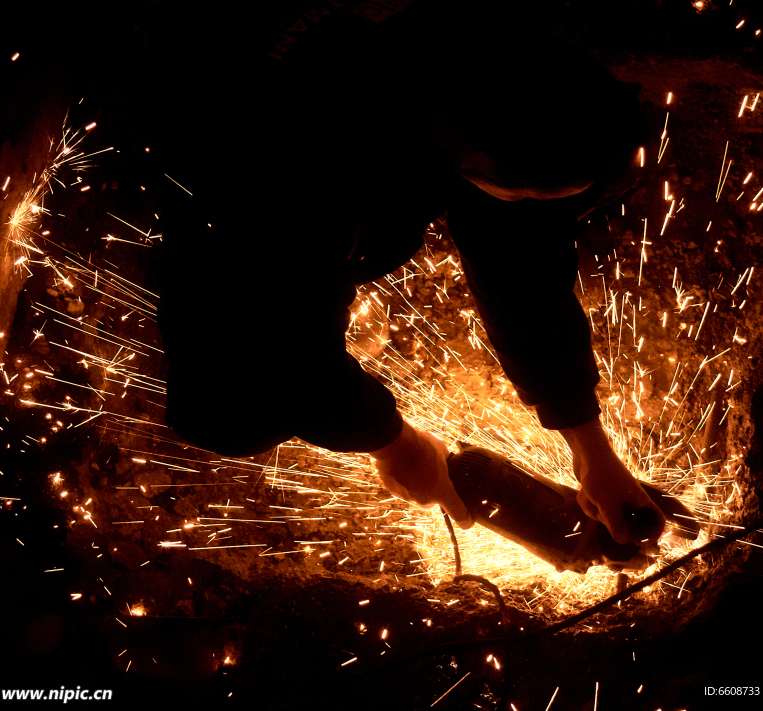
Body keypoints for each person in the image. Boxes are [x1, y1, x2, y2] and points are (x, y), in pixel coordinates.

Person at [146, 0, 666, 546]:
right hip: (220, 199)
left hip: (384, 148)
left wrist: (589, 444)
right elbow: (282, 345)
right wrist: (395, 443)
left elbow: (525, 278)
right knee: (229, 411)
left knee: (512, 224)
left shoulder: (513, 83)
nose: (531, 201)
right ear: (463, 151)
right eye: (526, 189)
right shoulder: (311, 158)